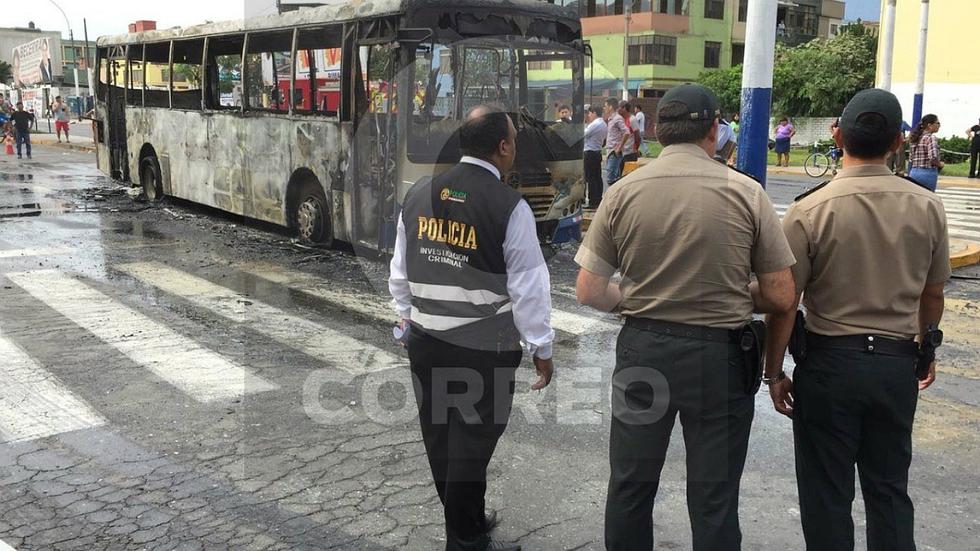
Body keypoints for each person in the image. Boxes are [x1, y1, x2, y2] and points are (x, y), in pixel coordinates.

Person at [575, 84, 797, 551]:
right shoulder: (747, 193)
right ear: (714, 131)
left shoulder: (622, 192)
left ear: (655, 131)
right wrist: (729, 292)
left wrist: (633, 299)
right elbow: (781, 295)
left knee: (631, 486)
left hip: (644, 350)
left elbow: (589, 289)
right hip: (720, 360)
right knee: (715, 495)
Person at [763, 88, 950, 551]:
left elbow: (786, 302)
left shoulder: (808, 209)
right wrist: (926, 349)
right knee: (889, 491)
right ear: (898, 143)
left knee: (826, 496)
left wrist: (773, 372)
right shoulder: (927, 206)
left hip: (829, 368)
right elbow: (933, 293)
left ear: (836, 135)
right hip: (894, 366)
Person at [388, 104, 555, 551]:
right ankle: (464, 540)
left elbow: (399, 273)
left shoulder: (419, 192)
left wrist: (407, 318)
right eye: (514, 142)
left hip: (425, 340)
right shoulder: (508, 205)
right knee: (472, 443)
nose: (515, 150)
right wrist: (542, 347)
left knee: (441, 436)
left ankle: (468, 521)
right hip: (483, 348)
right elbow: (529, 287)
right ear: (503, 148)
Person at [908, 114, 943, 191]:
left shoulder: (914, 138)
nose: (939, 125)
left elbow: (911, 159)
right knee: (928, 199)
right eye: (938, 123)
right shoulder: (931, 138)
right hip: (927, 174)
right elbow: (933, 158)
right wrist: (940, 164)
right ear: (929, 125)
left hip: (913, 173)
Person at [584, 104, 608, 209]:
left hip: (590, 152)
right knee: (597, 177)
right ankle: (597, 199)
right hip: (597, 151)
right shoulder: (603, 124)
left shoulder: (595, 124)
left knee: (591, 178)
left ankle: (593, 201)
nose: (588, 115)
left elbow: (583, 134)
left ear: (594, 113)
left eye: (589, 113)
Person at [604, 98, 630, 185]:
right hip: (610, 151)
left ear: (610, 107)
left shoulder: (617, 118)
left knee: (611, 179)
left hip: (614, 152)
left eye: (606, 106)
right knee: (612, 177)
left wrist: (619, 148)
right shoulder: (611, 119)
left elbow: (626, 132)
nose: (604, 108)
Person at [620, 102, 643, 174]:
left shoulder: (632, 120)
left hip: (630, 153)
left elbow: (637, 136)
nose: (617, 109)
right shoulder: (621, 120)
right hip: (621, 153)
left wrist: (635, 149)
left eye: (619, 107)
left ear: (624, 108)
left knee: (628, 175)